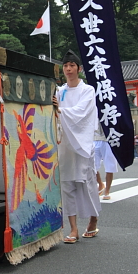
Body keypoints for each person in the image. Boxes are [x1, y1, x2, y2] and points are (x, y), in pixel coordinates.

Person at [53, 50, 101, 244]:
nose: (68, 69)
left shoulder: (87, 90)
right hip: (64, 143)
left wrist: (60, 109)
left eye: (72, 65)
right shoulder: (60, 91)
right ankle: (73, 228)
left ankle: (93, 218)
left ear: (79, 69)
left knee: (86, 183)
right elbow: (54, 112)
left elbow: (82, 113)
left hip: (82, 143)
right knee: (66, 184)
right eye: (66, 66)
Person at [94, 122, 118, 200]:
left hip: (108, 139)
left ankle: (107, 191)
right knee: (92, 166)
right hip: (94, 138)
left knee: (110, 165)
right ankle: (100, 184)